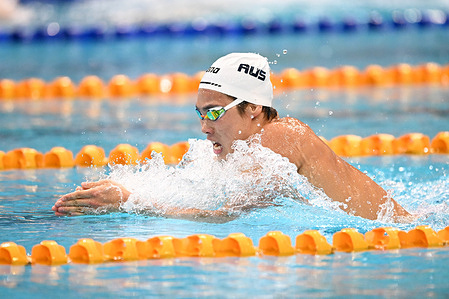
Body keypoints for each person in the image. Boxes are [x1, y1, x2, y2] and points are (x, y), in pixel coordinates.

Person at [53, 52, 411, 221]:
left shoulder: (278, 139)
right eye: (200, 113)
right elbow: (193, 191)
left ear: (252, 108)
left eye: (213, 111)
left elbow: (222, 216)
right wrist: (131, 187)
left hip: (399, 236)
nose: (204, 126)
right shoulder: (246, 147)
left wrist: (131, 200)